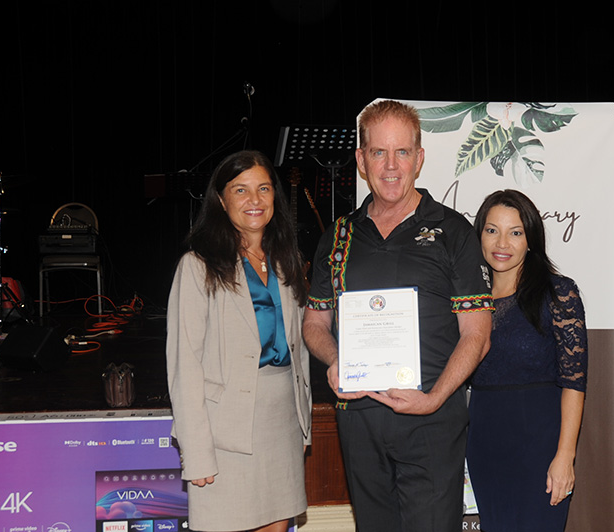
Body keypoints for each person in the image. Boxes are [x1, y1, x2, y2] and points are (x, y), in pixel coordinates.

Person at [302, 99, 494, 532]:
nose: (391, 166)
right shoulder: (339, 235)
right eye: (378, 152)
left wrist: (434, 398)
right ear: (361, 160)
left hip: (431, 421)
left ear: (420, 158)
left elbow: (477, 335)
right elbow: (314, 324)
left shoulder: (453, 232)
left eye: (402, 152)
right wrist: (336, 360)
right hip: (360, 419)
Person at [166, 150, 311, 532]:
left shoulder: (286, 259)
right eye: (241, 190)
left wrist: (304, 423)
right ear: (220, 199)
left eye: (263, 188)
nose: (255, 200)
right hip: (223, 432)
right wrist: (196, 453)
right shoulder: (198, 266)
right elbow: (185, 365)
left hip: (281, 422)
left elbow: (299, 349)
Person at [465, 189, 588, 531]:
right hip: (484, 445)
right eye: (492, 230)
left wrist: (565, 456)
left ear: (531, 239)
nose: (502, 242)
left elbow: (574, 383)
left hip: (540, 445)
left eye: (515, 232)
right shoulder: (468, 303)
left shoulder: (558, 293)